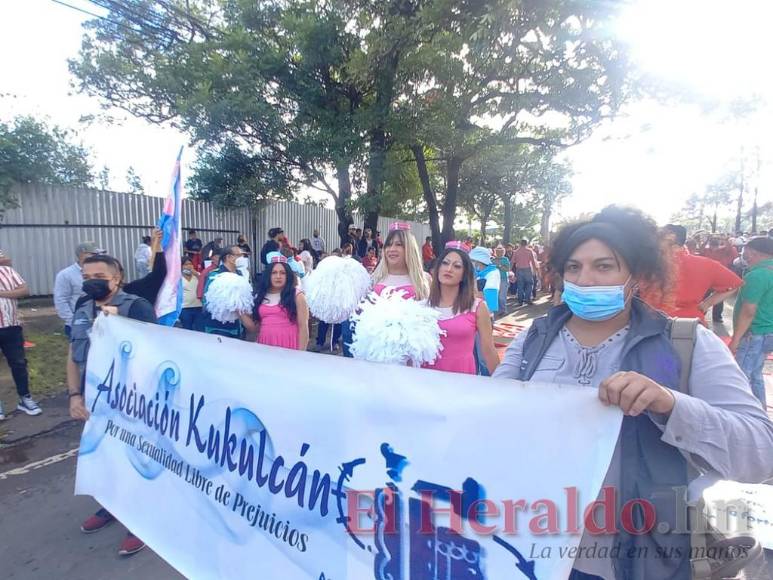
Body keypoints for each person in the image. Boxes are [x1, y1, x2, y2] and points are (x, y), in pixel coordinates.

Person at [493, 206, 773, 580]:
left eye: (604, 266)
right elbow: (487, 419)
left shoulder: (688, 344)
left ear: (636, 275)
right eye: (574, 267)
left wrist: (671, 405)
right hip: (527, 549)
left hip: (638, 558)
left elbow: (760, 451)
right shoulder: (533, 339)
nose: (585, 279)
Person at [67, 254, 157, 557]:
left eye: (99, 276)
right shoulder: (83, 306)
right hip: (95, 401)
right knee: (105, 457)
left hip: (133, 403)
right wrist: (74, 395)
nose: (91, 281)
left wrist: (121, 325)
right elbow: (73, 353)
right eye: (86, 276)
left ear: (116, 278)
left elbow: (157, 354)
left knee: (135, 460)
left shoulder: (136, 307)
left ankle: (141, 522)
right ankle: (112, 507)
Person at [424, 244, 499, 375]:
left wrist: (502, 382)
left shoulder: (478, 307)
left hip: (462, 380)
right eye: (445, 263)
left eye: (457, 266)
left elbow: (488, 350)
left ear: (465, 274)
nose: (449, 269)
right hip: (424, 378)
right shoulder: (422, 306)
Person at [647, 224, 742, 324]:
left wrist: (706, 304)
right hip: (690, 322)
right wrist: (706, 304)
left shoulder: (649, 263)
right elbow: (734, 284)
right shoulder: (705, 264)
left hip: (652, 321)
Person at [730, 236, 773, 407]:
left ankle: (742, 412)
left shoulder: (757, 275)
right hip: (768, 331)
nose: (743, 254)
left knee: (741, 376)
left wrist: (736, 339)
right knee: (755, 374)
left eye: (745, 250)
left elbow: (748, 311)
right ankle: (760, 410)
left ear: (753, 252)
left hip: (753, 333)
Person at [0, 256, 41, 420]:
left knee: (19, 363)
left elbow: (24, 290)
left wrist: (2, 293)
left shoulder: (8, 272)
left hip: (12, 327)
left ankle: (25, 398)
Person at [254, 256, 309, 350]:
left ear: (288, 276)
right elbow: (254, 327)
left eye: (283, 273)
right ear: (268, 275)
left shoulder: (297, 296)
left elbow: (303, 327)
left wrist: (300, 354)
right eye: (274, 273)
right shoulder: (260, 295)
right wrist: (239, 309)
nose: (278, 276)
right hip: (265, 344)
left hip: (289, 344)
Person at [200, 247, 256, 338]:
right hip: (218, 328)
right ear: (229, 257)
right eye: (239, 255)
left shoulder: (241, 274)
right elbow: (206, 301)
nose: (242, 258)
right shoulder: (215, 275)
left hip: (238, 326)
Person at [54, 241, 103, 337]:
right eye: (93, 254)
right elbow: (61, 300)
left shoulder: (102, 273)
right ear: (82, 255)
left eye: (98, 254)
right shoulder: (65, 275)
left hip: (101, 322)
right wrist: (74, 321)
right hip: (78, 324)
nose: (97, 257)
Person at [701, 235, 739, 322]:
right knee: (703, 296)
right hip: (707, 277)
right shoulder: (706, 250)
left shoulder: (724, 250)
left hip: (720, 277)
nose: (714, 241)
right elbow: (701, 249)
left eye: (716, 240)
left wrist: (724, 239)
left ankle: (717, 316)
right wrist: (707, 240)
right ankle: (701, 313)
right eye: (713, 241)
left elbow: (730, 248)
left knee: (719, 297)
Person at [469, 246, 499, 316]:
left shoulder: (492, 274)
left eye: (472, 260)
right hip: (473, 311)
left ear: (478, 262)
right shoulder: (477, 272)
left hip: (484, 314)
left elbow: (491, 297)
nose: (470, 263)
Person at [511, 239, 539, 306]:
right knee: (529, 284)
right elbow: (533, 261)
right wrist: (535, 270)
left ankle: (520, 301)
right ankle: (528, 299)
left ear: (520, 244)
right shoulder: (529, 251)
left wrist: (509, 270)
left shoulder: (516, 252)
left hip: (519, 269)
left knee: (520, 285)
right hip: (527, 269)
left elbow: (512, 262)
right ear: (526, 244)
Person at [179, 257, 202, 331]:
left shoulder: (198, 275)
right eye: (186, 264)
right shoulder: (178, 278)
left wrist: (197, 275)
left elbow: (205, 283)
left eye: (190, 264)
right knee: (187, 329)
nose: (189, 266)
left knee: (199, 330)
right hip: (185, 308)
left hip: (198, 307)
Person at [492, 243, 511, 313]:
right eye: (498, 251)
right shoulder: (493, 260)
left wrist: (499, 265)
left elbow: (507, 269)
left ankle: (503, 310)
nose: (499, 253)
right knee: (496, 295)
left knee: (502, 296)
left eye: (501, 251)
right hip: (494, 279)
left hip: (503, 279)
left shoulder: (505, 259)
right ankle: (498, 310)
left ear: (503, 252)